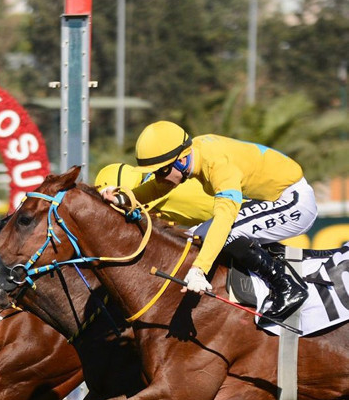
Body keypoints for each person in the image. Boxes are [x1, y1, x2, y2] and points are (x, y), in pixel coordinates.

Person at [102, 121, 316, 320]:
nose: (157, 178)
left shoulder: (218, 165)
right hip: (274, 199)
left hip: (294, 202)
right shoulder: (192, 154)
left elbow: (224, 219)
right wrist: (124, 197)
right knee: (197, 235)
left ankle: (287, 287)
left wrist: (199, 270)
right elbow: (159, 187)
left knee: (227, 233)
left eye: (161, 171)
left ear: (182, 159)